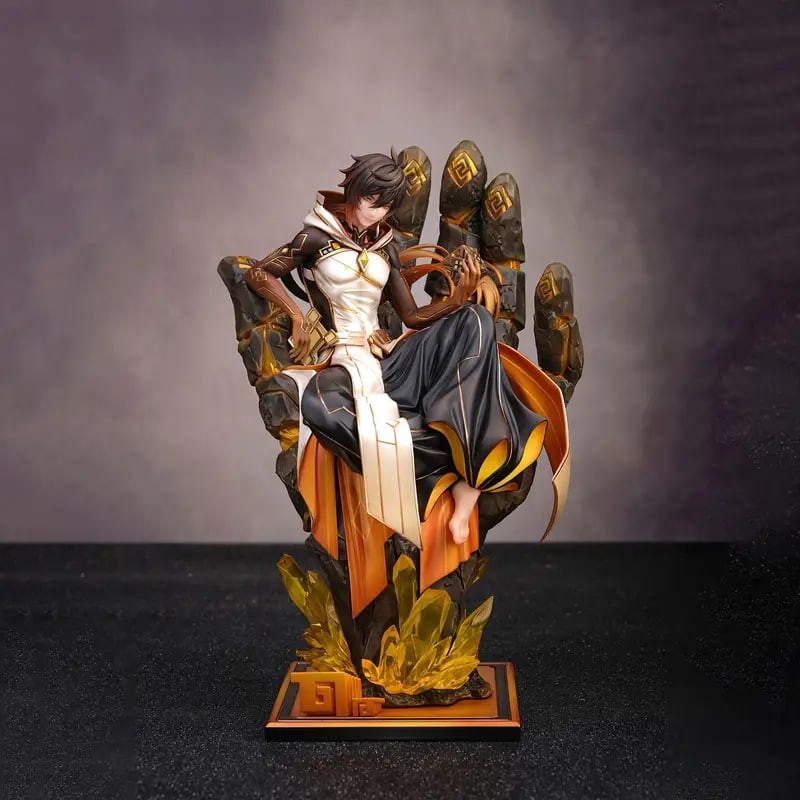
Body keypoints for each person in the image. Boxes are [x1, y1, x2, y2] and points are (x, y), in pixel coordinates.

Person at [244, 151, 554, 614]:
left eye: (387, 206)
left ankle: (469, 481)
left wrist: (458, 299)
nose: (379, 214)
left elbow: (412, 317)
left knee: (475, 322)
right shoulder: (315, 237)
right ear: (353, 193)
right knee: (321, 411)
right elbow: (258, 273)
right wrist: (295, 316)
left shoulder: (385, 245)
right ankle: (438, 473)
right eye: (373, 202)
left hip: (386, 358)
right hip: (339, 361)